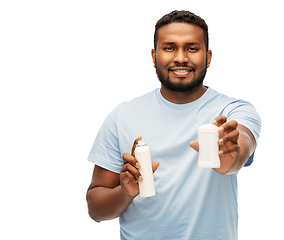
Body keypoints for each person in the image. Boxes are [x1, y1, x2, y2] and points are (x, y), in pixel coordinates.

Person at [86, 10, 261, 240]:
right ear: (154, 56)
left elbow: (244, 141)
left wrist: (231, 160)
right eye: (169, 47)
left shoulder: (233, 111)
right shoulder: (123, 116)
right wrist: (125, 193)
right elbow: (95, 209)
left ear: (208, 57)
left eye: (192, 48)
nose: (180, 57)